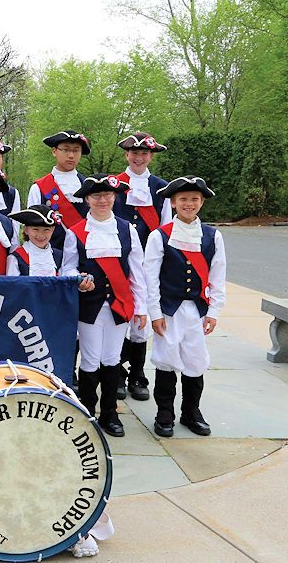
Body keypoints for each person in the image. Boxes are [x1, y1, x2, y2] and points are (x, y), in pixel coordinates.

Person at [64, 174, 147, 437]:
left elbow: (137, 272)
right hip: (89, 306)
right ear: (87, 199)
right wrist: (79, 280)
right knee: (89, 358)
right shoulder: (74, 232)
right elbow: (67, 267)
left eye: (107, 195)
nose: (102, 200)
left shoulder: (127, 230)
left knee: (112, 358)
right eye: (96, 196)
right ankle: (88, 412)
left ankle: (110, 413)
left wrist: (141, 307)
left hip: (119, 304)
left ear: (115, 197)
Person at [144, 176, 226, 438]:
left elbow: (217, 276)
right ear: (173, 203)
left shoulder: (213, 236)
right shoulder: (160, 236)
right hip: (169, 309)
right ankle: (164, 413)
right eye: (183, 199)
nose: (189, 204)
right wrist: (155, 312)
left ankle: (191, 412)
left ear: (201, 202)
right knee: (166, 360)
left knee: (196, 360)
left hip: (197, 311)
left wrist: (214, 311)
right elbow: (150, 277)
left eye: (194, 199)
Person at [113, 132, 173, 401]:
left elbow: (165, 228)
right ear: (126, 155)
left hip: (147, 263)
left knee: (140, 321)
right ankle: (115, 373)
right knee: (115, 316)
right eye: (134, 153)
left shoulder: (161, 188)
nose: (139, 158)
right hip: (116, 260)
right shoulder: (114, 184)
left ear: (151, 157)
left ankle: (137, 373)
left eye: (144, 154)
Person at [27, 130, 91, 251]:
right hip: (51, 255)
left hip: (84, 253)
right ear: (54, 151)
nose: (71, 155)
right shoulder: (38, 188)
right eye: (65, 150)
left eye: (76, 150)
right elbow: (32, 226)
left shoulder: (89, 186)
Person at [6, 204, 88, 285]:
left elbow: (65, 282)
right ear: (26, 230)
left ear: (53, 230)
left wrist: (78, 280)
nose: (41, 235)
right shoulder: (16, 258)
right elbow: (11, 288)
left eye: (46, 230)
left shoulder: (58, 256)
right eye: (35, 229)